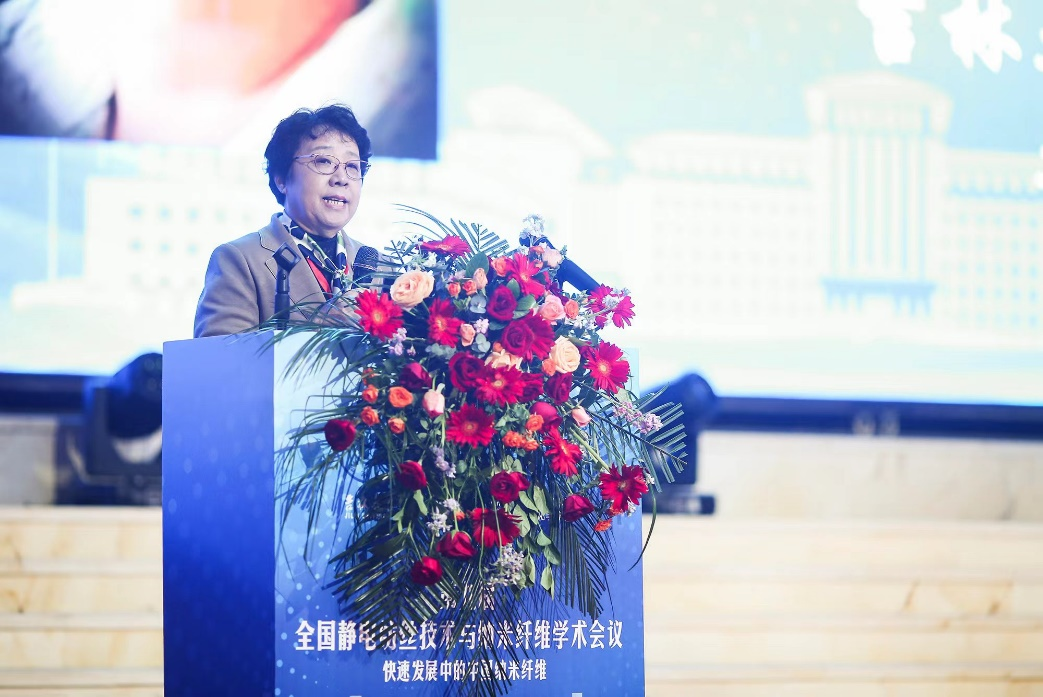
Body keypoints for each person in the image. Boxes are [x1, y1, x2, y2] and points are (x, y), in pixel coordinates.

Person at [194, 104, 372, 338]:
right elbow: (219, 357)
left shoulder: (378, 266)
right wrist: (323, 323)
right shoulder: (240, 260)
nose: (341, 178)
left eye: (352, 166)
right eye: (323, 162)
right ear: (281, 180)